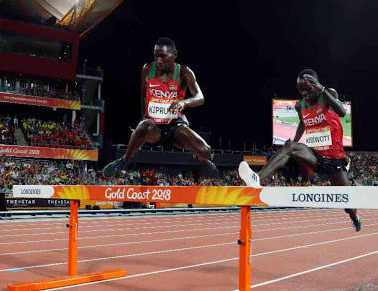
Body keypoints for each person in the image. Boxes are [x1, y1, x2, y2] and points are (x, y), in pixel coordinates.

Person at [238, 69, 361, 231]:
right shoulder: (299, 106)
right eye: (300, 90)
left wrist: (321, 88)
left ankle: (354, 217)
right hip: (316, 156)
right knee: (289, 146)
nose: (304, 93)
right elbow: (303, 124)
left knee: (348, 205)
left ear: (315, 85)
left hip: (335, 160)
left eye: (308, 89)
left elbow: (342, 112)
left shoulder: (327, 94)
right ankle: (257, 179)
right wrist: (292, 147)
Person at [103, 37, 217, 178]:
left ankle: (200, 159)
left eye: (162, 56)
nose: (158, 60)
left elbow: (200, 98)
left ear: (174, 54)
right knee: (144, 126)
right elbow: (143, 95)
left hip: (175, 126)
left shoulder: (184, 72)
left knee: (205, 151)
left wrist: (183, 103)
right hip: (154, 127)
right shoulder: (147, 69)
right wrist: (143, 117)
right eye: (156, 56)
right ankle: (125, 160)